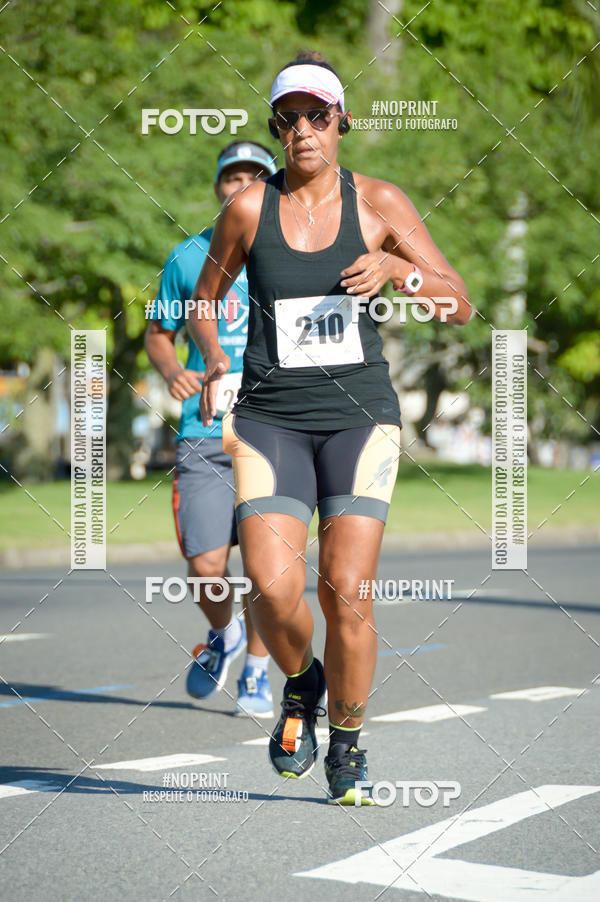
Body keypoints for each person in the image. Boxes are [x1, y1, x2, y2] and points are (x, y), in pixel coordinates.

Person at [189, 52, 472, 803]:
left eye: (318, 116)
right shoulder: (249, 208)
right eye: (289, 119)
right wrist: (215, 357)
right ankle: (301, 683)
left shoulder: (378, 203)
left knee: (347, 590)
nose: (303, 131)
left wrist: (398, 272)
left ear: (342, 123)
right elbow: (202, 297)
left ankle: (347, 741)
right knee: (274, 590)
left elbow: (459, 302)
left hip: (360, 420)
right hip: (269, 420)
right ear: (276, 130)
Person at [145, 140, 278, 717]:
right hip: (203, 432)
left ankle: (256, 670)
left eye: (255, 175)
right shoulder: (185, 258)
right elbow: (157, 331)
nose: (242, 184)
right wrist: (173, 368)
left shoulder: (291, 253)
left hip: (275, 431)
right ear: (218, 187)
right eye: (232, 176)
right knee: (205, 565)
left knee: (269, 569)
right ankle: (223, 637)